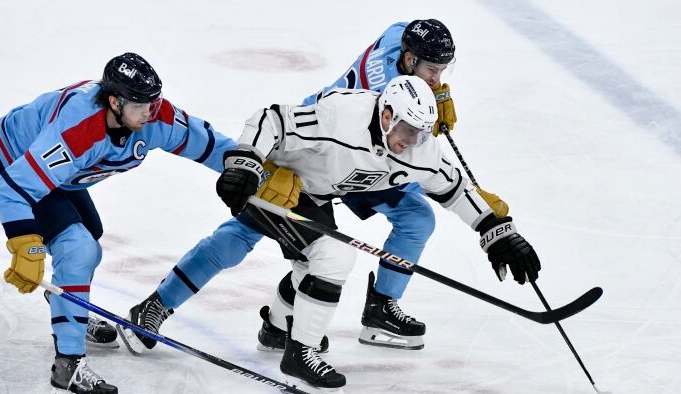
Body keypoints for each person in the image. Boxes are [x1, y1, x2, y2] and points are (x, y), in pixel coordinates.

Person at [117, 19, 508, 356]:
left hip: (357, 157)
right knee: (248, 234)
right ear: (408, 61)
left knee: (400, 223)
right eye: (432, 70)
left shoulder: (399, 39)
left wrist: (484, 217)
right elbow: (400, 158)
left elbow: (413, 158)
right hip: (318, 153)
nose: (438, 79)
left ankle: (367, 311)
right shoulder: (384, 97)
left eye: (443, 71)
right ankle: (160, 306)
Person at [172, 75, 538, 394]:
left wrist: (495, 230)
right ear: (386, 115)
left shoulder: (419, 147)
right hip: (278, 180)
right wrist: (246, 162)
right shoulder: (341, 118)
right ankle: (301, 353)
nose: (412, 141)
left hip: (317, 193)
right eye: (408, 130)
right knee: (332, 255)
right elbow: (272, 119)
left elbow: (456, 188)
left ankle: (276, 327)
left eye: (421, 133)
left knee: (310, 268)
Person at [0, 52, 234, 394]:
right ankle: (67, 373)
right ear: (114, 102)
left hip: (61, 176)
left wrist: (251, 168)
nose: (152, 111)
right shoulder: (79, 129)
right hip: (8, 167)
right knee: (78, 249)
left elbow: (206, 142)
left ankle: (69, 309)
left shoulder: (151, 115)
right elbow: (12, 191)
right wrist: (26, 246)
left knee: (88, 240)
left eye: (155, 101)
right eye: (142, 105)